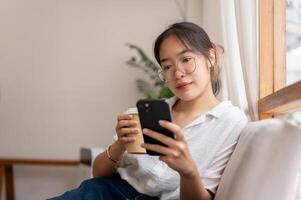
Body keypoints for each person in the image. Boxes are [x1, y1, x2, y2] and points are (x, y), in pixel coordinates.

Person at [49, 22, 248, 200]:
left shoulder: (230, 120)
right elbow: (98, 173)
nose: (177, 73)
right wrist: (120, 144)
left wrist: (188, 172)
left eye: (186, 59)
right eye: (167, 66)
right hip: (107, 192)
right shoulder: (143, 114)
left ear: (210, 57)